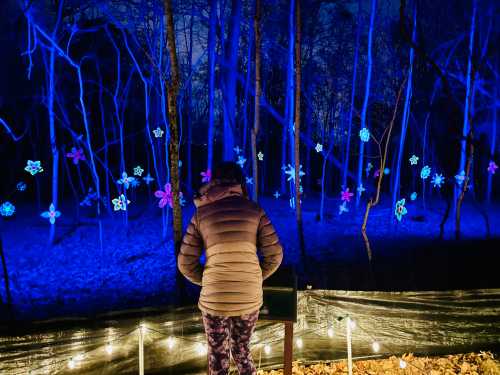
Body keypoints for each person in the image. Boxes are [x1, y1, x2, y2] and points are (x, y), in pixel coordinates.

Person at [178, 161, 283, 375]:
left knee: (218, 358)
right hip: (249, 297)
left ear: (213, 182)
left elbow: (185, 263)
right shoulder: (254, 210)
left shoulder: (201, 214)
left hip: (215, 297)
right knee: (242, 351)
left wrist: (209, 279)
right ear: (240, 182)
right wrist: (253, 277)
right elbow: (275, 255)